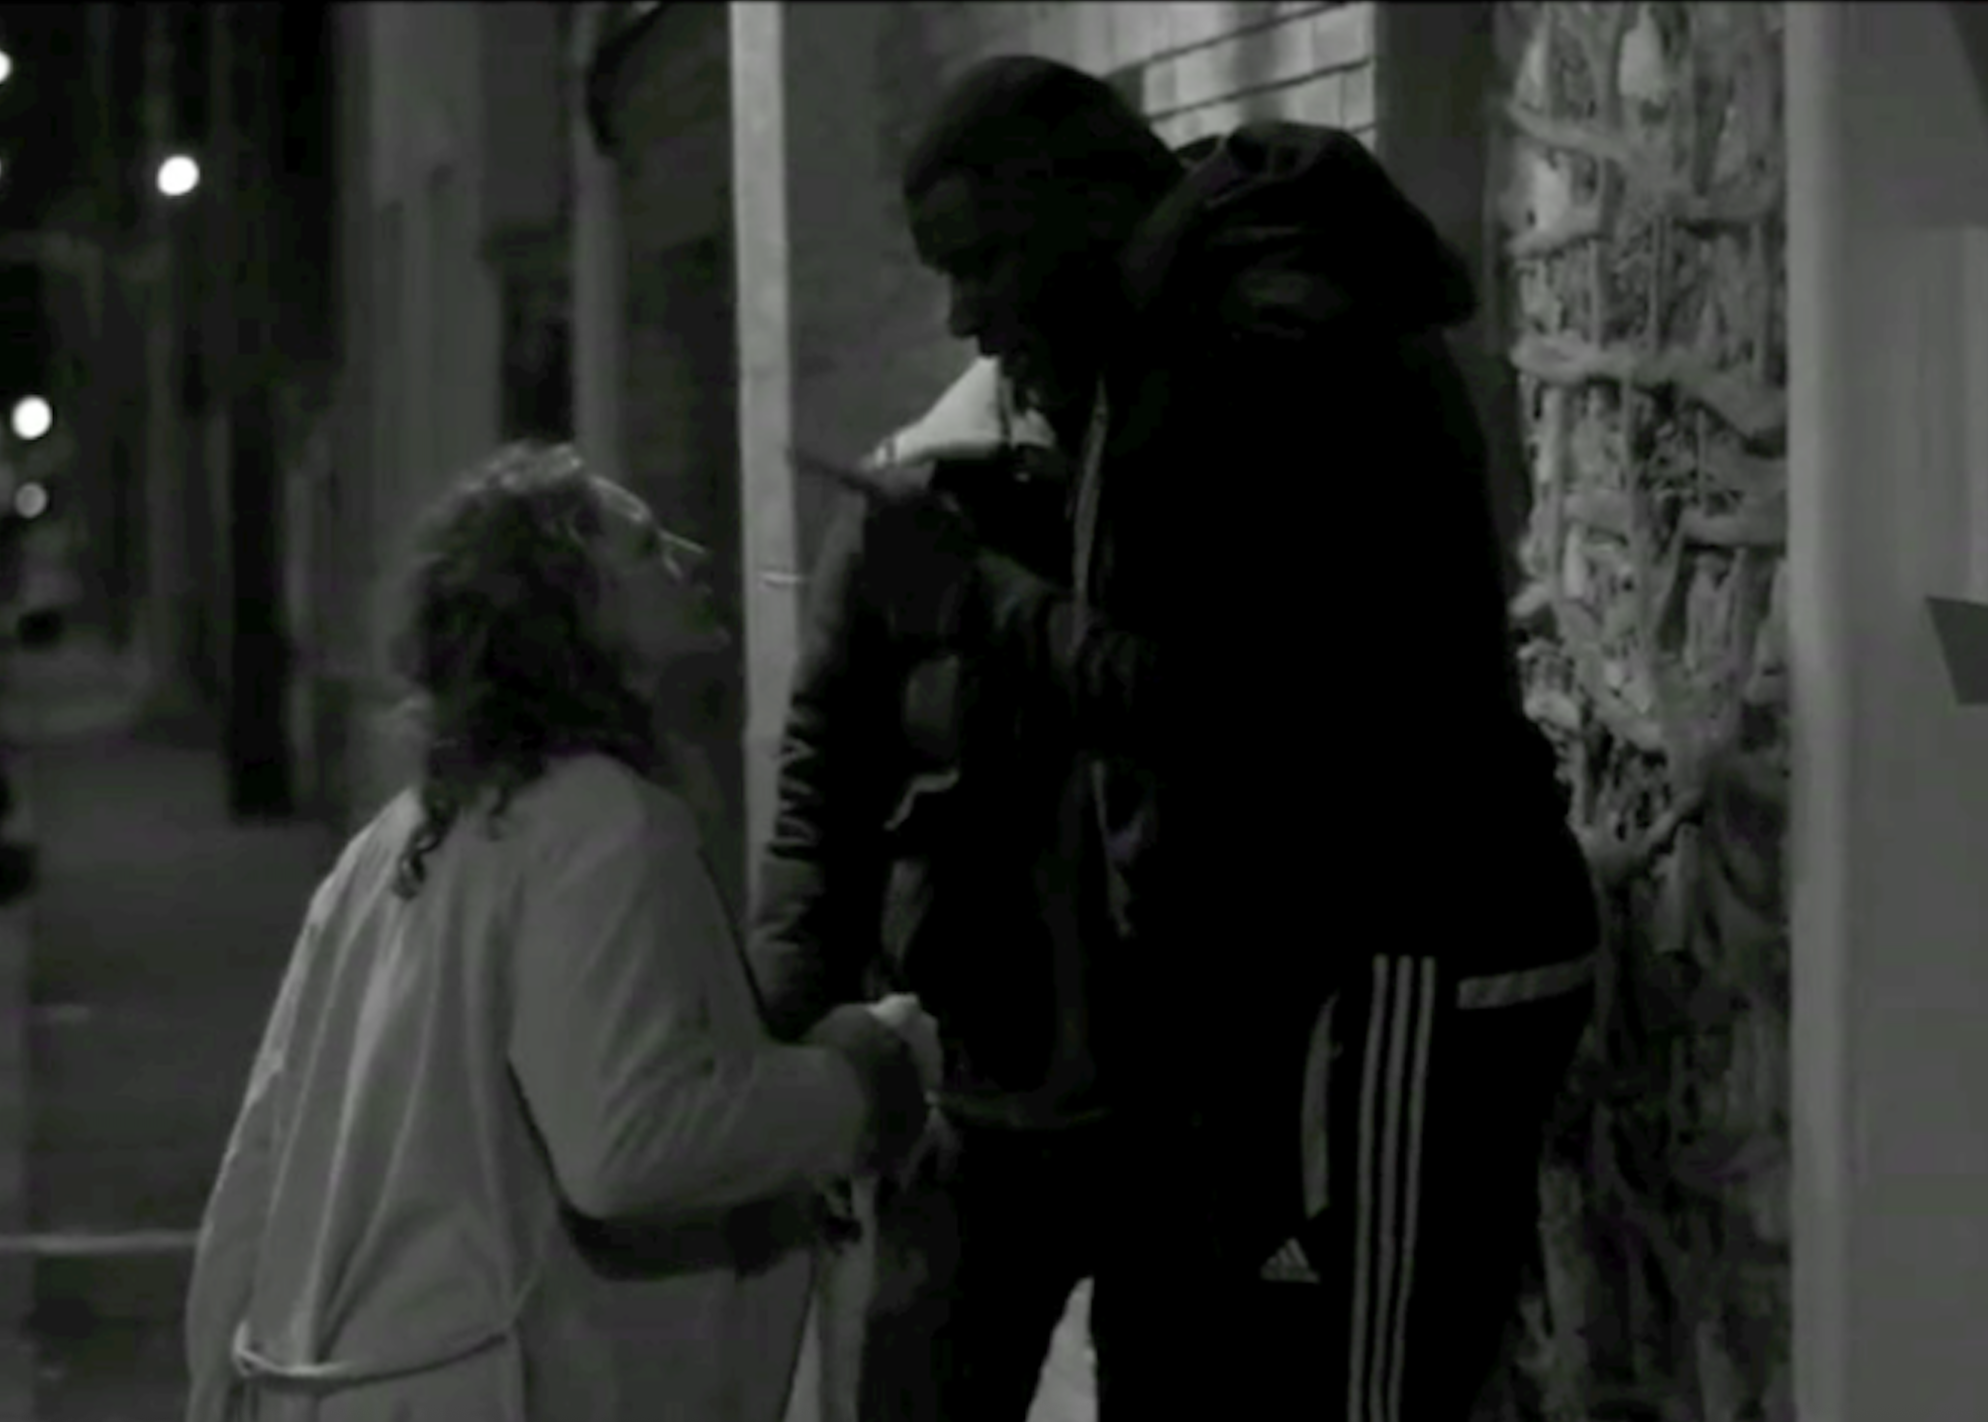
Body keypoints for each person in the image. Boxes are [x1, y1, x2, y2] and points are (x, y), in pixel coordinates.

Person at [841, 56, 1603, 1419]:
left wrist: (978, 600)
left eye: (981, 262)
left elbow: (1234, 703)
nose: (965, 317)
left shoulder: (1266, 340)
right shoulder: (1175, 331)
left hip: (1395, 962)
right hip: (1318, 995)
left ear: (1081, 203)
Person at [182, 442, 947, 1422]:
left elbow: (265, 1153)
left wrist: (221, 1385)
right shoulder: (599, 820)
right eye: (644, 547)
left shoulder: (393, 841)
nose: (691, 555)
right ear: (570, 613)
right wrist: (860, 1080)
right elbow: (629, 1144)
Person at [752, 353, 1119, 1422]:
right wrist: (789, 1065)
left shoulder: (1179, 471)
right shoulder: (914, 495)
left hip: (1170, 1102)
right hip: (968, 1094)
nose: (968, 313)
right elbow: (821, 803)